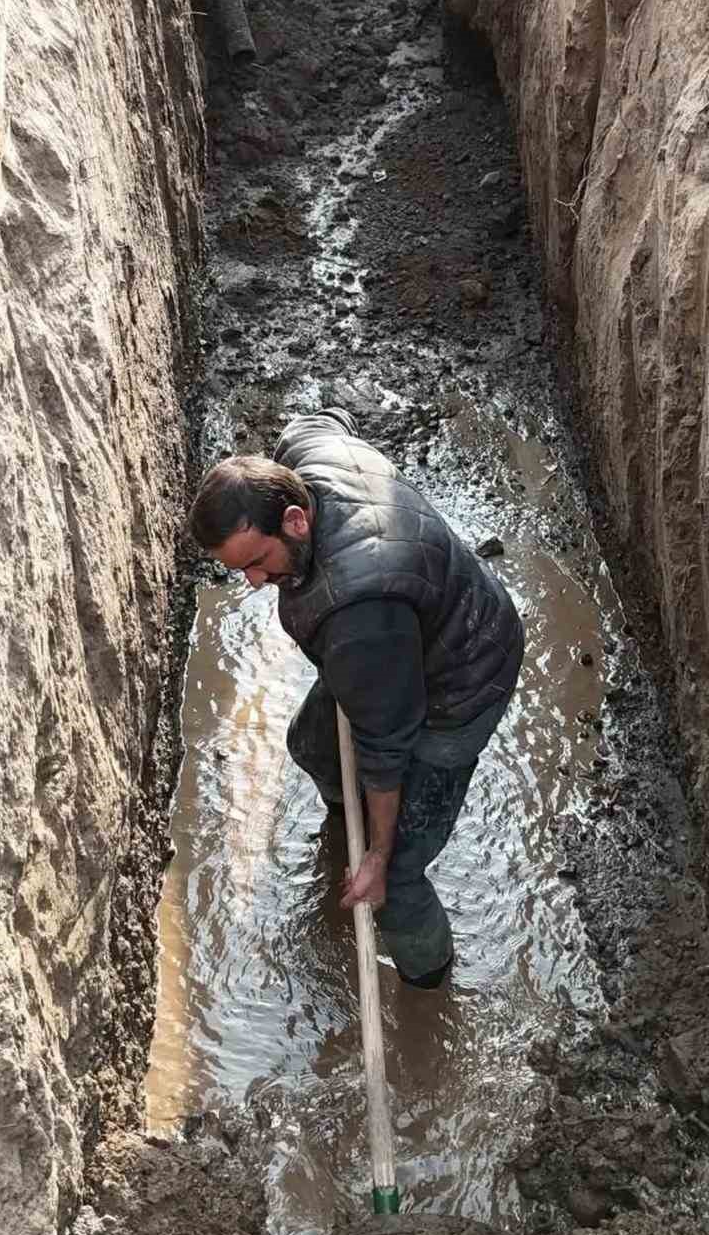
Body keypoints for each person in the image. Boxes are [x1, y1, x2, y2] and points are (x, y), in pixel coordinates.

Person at [188, 407, 524, 988]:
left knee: (398, 881)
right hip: (410, 627)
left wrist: (376, 856)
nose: (254, 582)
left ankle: (429, 979)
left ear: (295, 520)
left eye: (258, 563)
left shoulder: (357, 612)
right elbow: (323, 420)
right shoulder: (312, 457)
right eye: (239, 569)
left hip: (463, 679)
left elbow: (385, 748)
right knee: (311, 745)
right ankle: (348, 818)